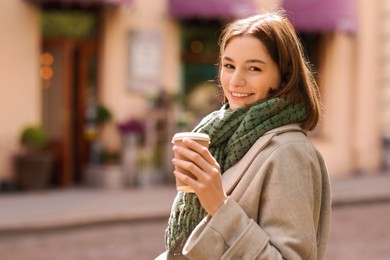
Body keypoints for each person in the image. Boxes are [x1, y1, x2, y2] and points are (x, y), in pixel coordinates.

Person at [157, 10, 331, 260]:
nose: (235, 81)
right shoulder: (220, 135)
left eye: (254, 69)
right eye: (229, 66)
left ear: (283, 76)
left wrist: (218, 203)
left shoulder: (289, 152)